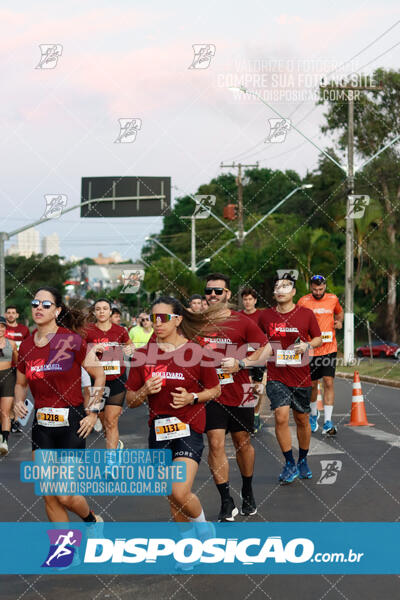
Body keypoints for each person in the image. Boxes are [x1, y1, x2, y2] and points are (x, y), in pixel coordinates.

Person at [13, 286, 105, 523]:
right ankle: (65, 552)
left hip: (72, 423)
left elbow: (100, 374)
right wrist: (17, 401)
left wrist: (93, 412)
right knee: (48, 495)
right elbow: (21, 383)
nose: (39, 308)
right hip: (42, 426)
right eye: (35, 304)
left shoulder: (72, 340)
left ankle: (91, 520)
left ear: (57, 310)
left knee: (64, 494)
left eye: (46, 305)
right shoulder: (25, 346)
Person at [126, 296, 221, 523]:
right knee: (171, 494)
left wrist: (193, 397)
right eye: (153, 318)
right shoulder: (143, 355)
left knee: (179, 491)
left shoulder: (196, 352)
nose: (157, 323)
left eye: (163, 318)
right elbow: (130, 400)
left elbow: (215, 389)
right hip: (159, 430)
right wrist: (145, 391)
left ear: (177, 320)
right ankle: (187, 549)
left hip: (188, 428)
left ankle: (204, 528)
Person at [202, 273, 268, 521]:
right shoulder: (196, 323)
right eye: (209, 291)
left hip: (241, 391)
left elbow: (265, 349)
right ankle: (226, 500)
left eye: (218, 291)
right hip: (211, 393)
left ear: (228, 295)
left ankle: (248, 489)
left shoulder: (241, 322)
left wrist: (241, 363)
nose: (213, 295)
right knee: (216, 443)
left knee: (243, 443)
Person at [258, 274, 322, 484]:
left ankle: (302, 459)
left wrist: (308, 345)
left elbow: (318, 338)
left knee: (302, 419)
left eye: (285, 286)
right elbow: (257, 340)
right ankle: (288, 463)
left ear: (293, 292)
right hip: (276, 375)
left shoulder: (306, 314)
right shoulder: (265, 316)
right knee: (280, 415)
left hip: (301, 376)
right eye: (277, 286)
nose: (280, 289)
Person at [297, 274, 344, 435]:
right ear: (310, 287)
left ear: (325, 287)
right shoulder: (303, 301)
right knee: (312, 385)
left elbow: (339, 313)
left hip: (329, 348)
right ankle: (313, 415)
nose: (318, 292)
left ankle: (328, 421)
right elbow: (296, 319)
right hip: (310, 349)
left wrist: (339, 322)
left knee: (329, 382)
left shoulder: (333, 299)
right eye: (315, 289)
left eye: (321, 289)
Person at [85, 298, 133, 454]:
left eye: (105, 308)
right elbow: (80, 352)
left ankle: (111, 461)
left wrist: (129, 350)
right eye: (98, 309)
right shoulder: (88, 331)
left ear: (110, 312)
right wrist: (92, 349)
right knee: (102, 419)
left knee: (112, 421)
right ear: (94, 312)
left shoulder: (120, 331)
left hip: (117, 379)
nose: (101, 312)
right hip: (97, 380)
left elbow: (129, 345)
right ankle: (114, 443)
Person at [239, 287, 265, 433]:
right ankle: (248, 417)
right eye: (245, 300)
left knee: (258, 388)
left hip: (259, 357)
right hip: (243, 357)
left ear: (255, 300)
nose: (248, 302)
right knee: (246, 387)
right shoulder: (238, 316)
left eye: (250, 299)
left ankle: (255, 414)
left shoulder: (262, 316)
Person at [0, 317, 18, 455]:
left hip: (8, 377)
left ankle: (4, 441)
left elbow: (17, 362)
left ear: (6, 329)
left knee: (5, 412)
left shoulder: (11, 344)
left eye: (2, 326)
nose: (0, 329)